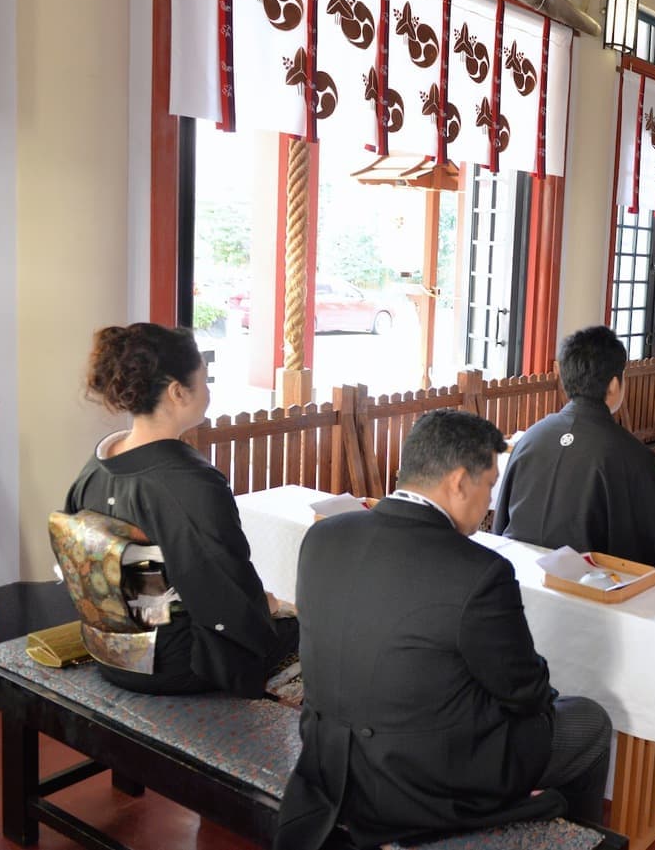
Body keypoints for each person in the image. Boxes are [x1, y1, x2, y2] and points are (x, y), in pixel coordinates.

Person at [274, 410, 612, 850]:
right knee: (588, 720)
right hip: (420, 783)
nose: (490, 502)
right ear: (458, 482)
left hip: (327, 758)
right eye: (489, 484)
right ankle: (576, 841)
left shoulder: (325, 536)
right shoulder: (479, 570)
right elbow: (524, 691)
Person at [65, 323, 295, 696]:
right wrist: (265, 609)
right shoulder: (189, 483)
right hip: (172, 662)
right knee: (302, 629)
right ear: (177, 392)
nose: (208, 392)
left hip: (107, 650)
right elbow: (223, 595)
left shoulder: (97, 466)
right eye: (204, 381)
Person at [494, 325, 655, 583]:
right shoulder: (633, 455)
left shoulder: (530, 438)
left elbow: (502, 523)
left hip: (521, 579)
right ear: (614, 384)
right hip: (593, 593)